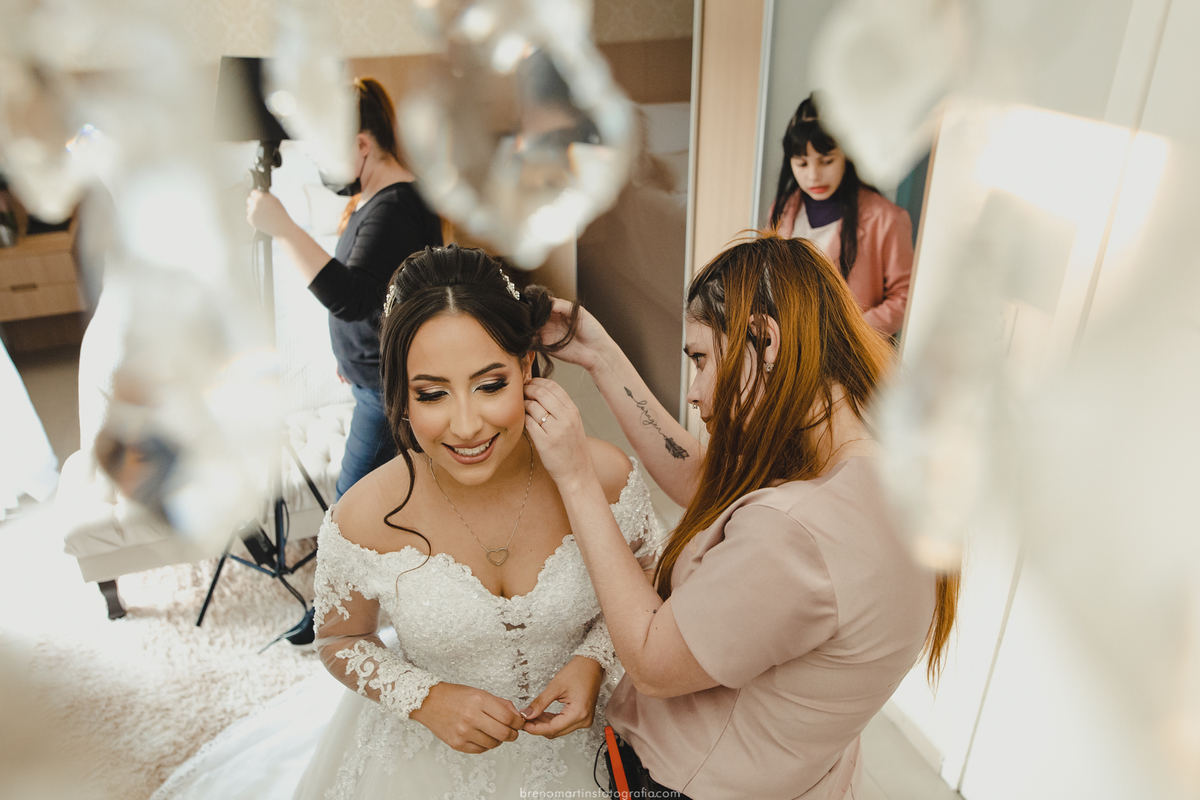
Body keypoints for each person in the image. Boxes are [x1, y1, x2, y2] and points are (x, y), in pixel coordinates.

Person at [147, 244, 665, 800]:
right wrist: (426, 698)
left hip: (592, 751)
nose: (466, 425)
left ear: (526, 368)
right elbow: (340, 639)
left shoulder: (605, 476)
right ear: (401, 393)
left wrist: (594, 659)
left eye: (490, 385)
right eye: (432, 393)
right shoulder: (362, 518)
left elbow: (650, 580)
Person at [523, 234, 959, 798]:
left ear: (764, 337)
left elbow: (654, 660)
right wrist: (600, 354)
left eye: (702, 359)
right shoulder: (880, 463)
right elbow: (702, 478)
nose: (697, 393)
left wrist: (576, 476)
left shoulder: (799, 531)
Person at [247, 77, 443, 499]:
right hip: (373, 376)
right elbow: (379, 295)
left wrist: (282, 228)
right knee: (385, 494)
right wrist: (351, 355)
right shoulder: (379, 200)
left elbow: (351, 297)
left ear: (361, 146)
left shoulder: (394, 210)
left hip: (385, 389)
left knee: (347, 506)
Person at [768, 94, 914, 336]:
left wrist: (849, 336)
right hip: (789, 348)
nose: (813, 176)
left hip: (848, 358)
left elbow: (904, 297)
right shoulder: (783, 208)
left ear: (846, 154)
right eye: (802, 164)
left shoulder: (886, 218)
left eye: (826, 161)